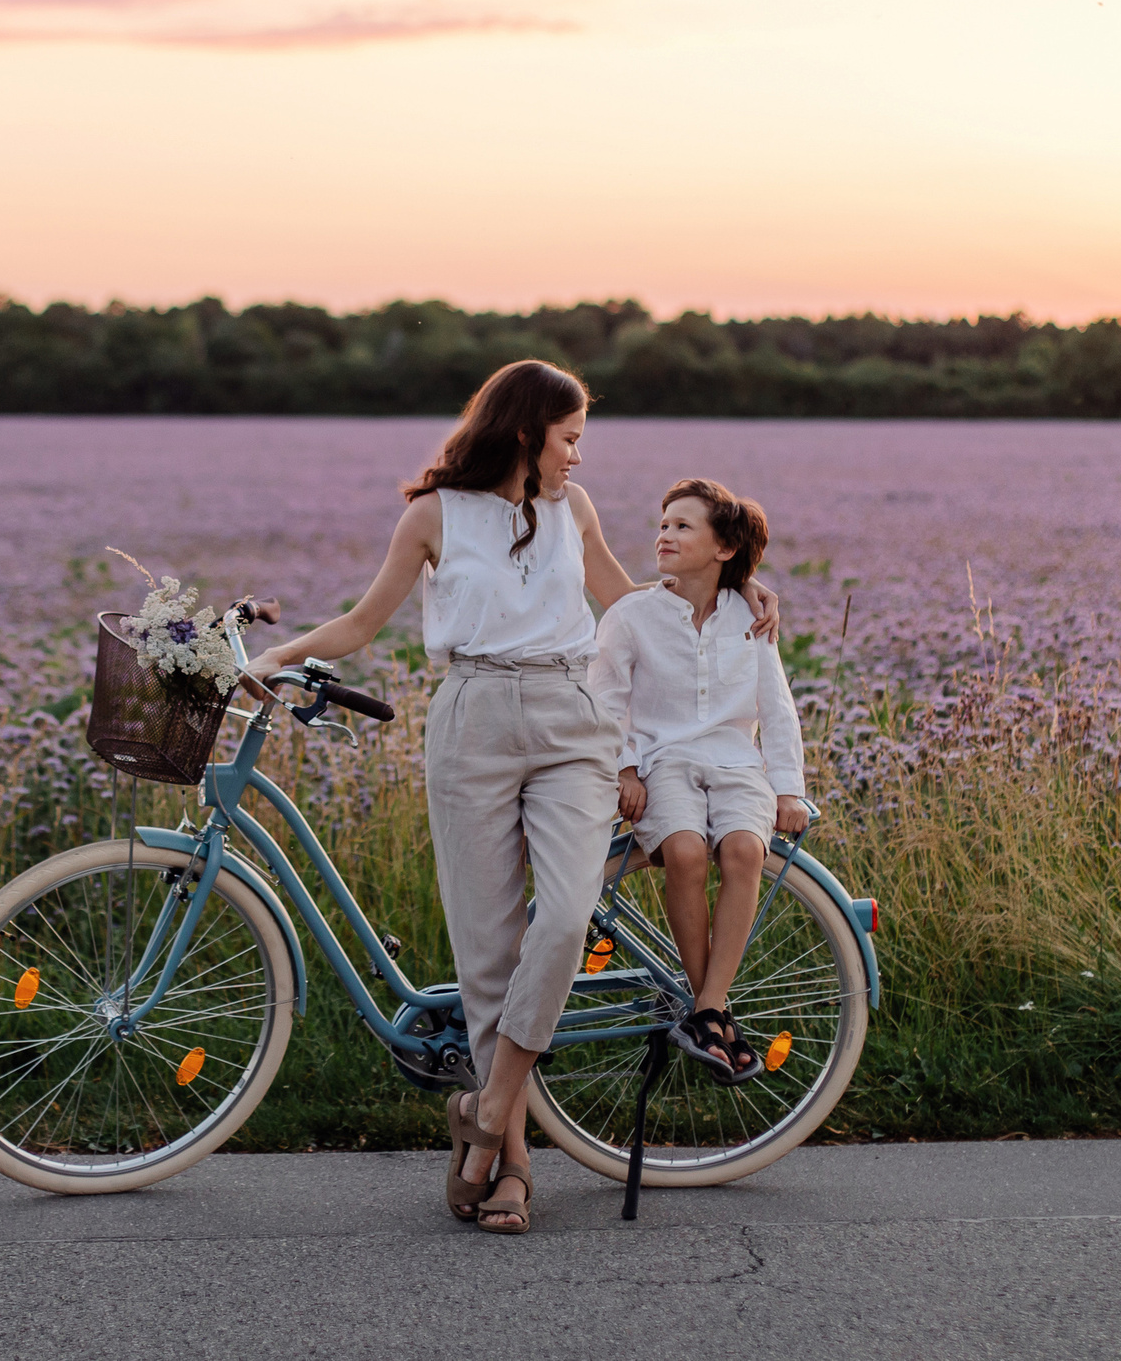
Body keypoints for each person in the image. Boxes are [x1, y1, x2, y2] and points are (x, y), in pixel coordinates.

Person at [251, 362, 777, 1234]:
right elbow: (358, 623)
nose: (579, 454)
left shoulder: (575, 511)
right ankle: (513, 1167)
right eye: (570, 437)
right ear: (529, 432)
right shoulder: (433, 515)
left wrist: (731, 590)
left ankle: (487, 1112)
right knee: (489, 957)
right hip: (472, 721)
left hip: (574, 718)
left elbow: (628, 600)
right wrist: (267, 661)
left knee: (566, 919)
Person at [588, 478, 812, 1083]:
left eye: (683, 526)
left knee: (743, 848)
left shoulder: (749, 616)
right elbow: (610, 699)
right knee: (684, 852)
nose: (665, 534)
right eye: (663, 524)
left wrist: (787, 787)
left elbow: (777, 704)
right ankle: (709, 1012)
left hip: (737, 760)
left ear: (724, 550)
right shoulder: (632, 615)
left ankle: (709, 1008)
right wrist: (626, 767)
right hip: (664, 760)